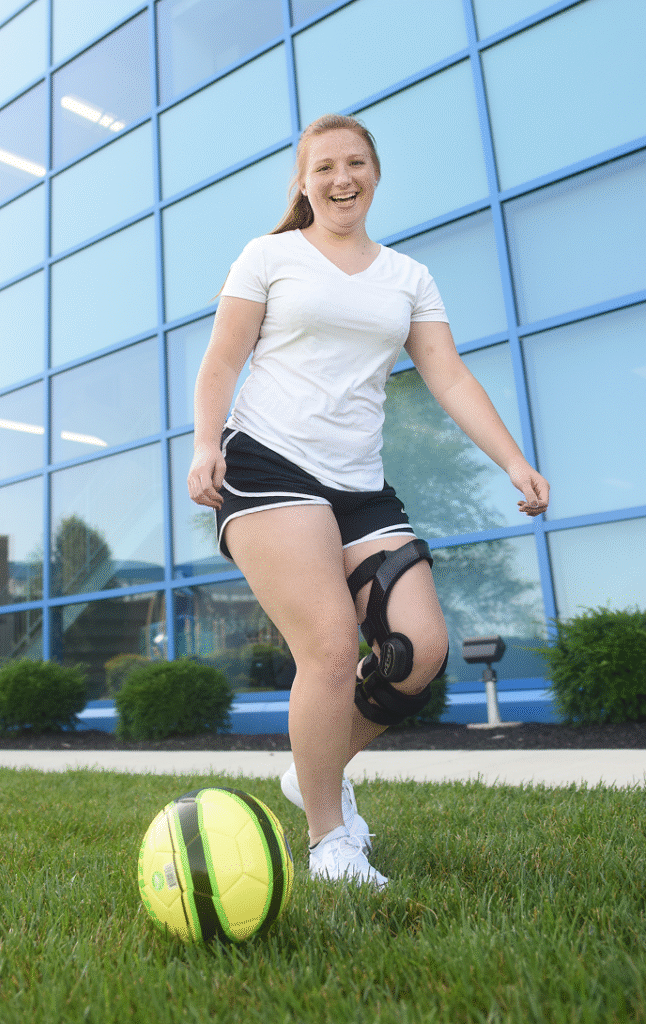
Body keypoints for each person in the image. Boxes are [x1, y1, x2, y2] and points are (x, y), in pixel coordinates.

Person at [187, 114, 549, 886]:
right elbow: (222, 358)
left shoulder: (406, 276)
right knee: (328, 646)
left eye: (355, 164)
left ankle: (311, 770)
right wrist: (204, 445)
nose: (340, 178)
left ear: (375, 175)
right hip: (268, 464)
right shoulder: (270, 255)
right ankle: (330, 845)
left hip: (358, 482)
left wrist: (514, 460)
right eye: (324, 167)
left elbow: (448, 375)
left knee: (417, 654)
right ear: (303, 182)